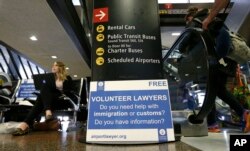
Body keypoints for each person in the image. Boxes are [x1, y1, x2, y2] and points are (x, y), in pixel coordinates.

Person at [12, 61, 73, 136]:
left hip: (61, 99)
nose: (53, 67)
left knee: (41, 96)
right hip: (50, 100)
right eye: (53, 65)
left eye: (56, 65)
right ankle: (46, 112)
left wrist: (59, 91)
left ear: (61, 67)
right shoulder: (50, 78)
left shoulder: (67, 78)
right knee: (44, 87)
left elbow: (70, 91)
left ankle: (26, 124)